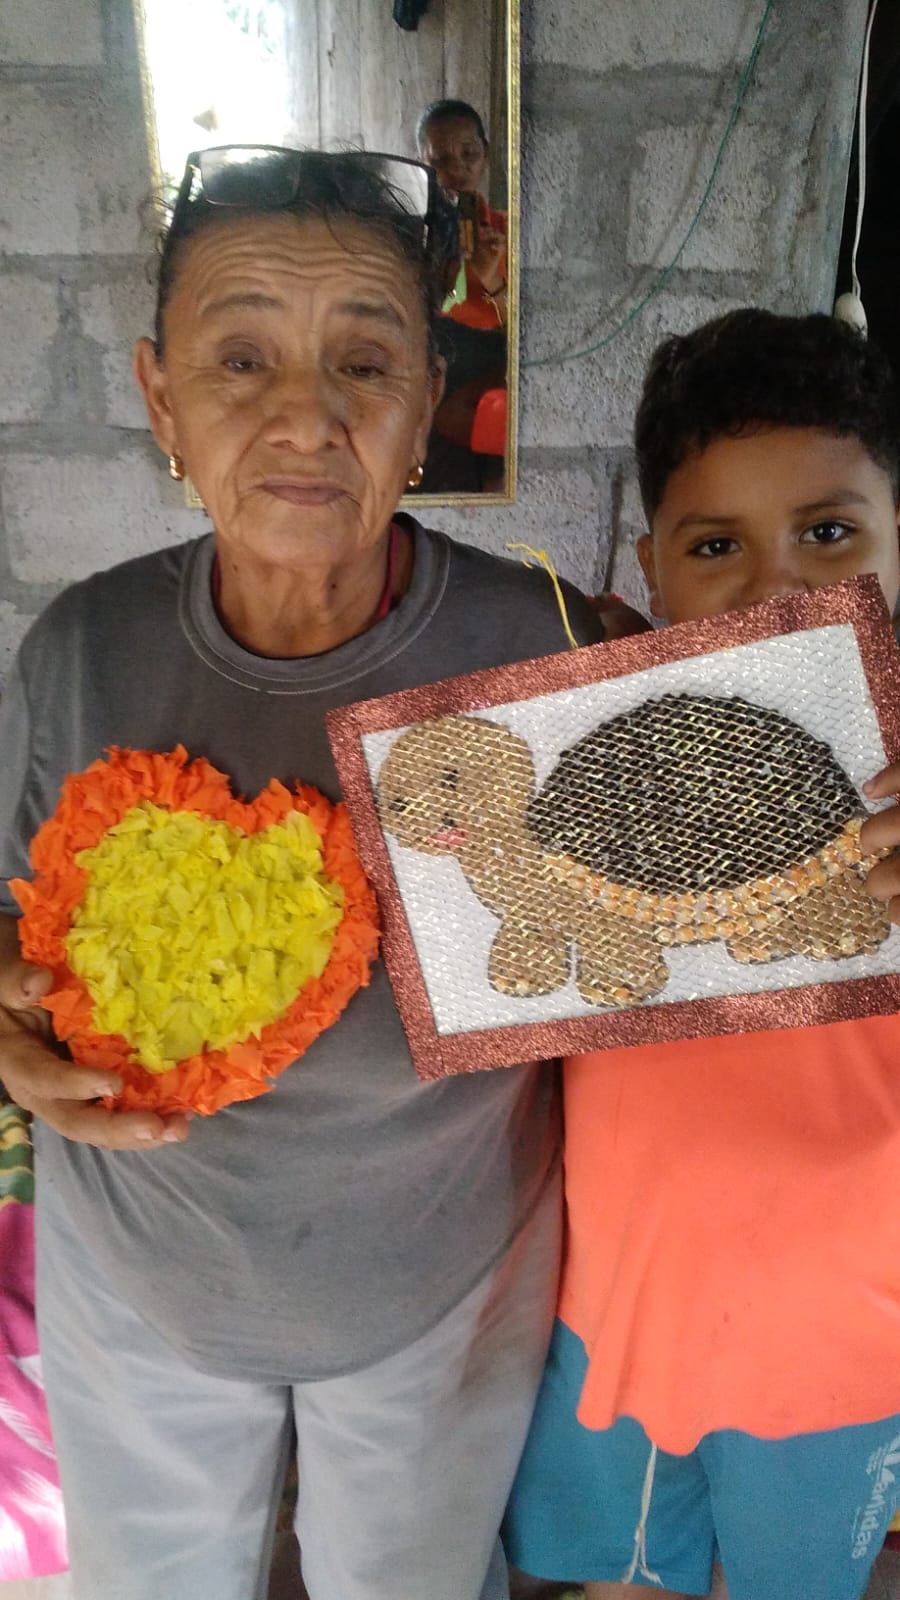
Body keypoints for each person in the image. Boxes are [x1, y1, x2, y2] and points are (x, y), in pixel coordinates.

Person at [0, 145, 607, 1600]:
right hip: (136, 1284)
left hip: (440, 1293)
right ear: (160, 397)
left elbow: (712, 894)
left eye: (365, 362)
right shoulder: (81, 648)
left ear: (429, 406)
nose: (305, 415)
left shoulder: (550, 648)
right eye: (241, 358)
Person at [503, 309, 900, 1600]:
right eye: (717, 545)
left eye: (829, 533)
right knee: (611, 1584)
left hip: (842, 1349)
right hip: (611, 1319)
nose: (779, 589)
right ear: (654, 570)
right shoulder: (584, 737)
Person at [416, 98, 508, 331]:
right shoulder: (410, 235)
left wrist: (491, 278)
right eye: (440, 160)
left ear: (485, 154)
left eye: (469, 153)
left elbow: (528, 329)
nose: (457, 168)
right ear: (422, 165)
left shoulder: (508, 231)